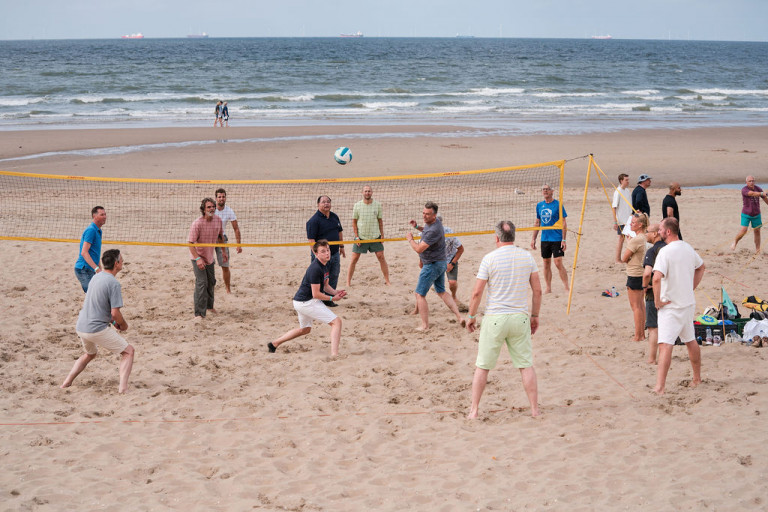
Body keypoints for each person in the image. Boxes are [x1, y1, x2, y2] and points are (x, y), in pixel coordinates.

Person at [466, 221, 542, 418]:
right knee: (525, 365)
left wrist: (471, 316)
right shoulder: (527, 257)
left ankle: (474, 410)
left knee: (483, 366)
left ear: (496, 237)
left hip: (495, 318)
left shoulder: (489, 258)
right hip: (519, 318)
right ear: (514, 236)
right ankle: (535, 410)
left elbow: (477, 293)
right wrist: (535, 316)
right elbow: (537, 291)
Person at [61, 249, 135, 394]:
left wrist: (114, 323)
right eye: (122, 259)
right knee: (129, 352)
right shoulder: (114, 284)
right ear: (116, 263)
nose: (123, 261)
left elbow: (101, 306)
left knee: (90, 354)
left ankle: (66, 382)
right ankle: (123, 389)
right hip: (95, 329)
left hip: (81, 326)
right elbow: (115, 312)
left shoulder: (96, 276)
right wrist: (123, 325)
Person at [652, 217, 706, 395]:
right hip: (687, 303)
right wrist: (690, 288)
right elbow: (701, 267)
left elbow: (656, 278)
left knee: (665, 345)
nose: (659, 231)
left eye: (660, 229)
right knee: (690, 340)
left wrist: (658, 301)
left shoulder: (665, 252)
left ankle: (660, 387)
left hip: (672, 307)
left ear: (668, 231)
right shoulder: (687, 247)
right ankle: (697, 378)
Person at [267, 240, 346, 356]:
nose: (327, 253)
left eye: (328, 250)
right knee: (336, 322)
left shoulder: (325, 264)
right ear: (316, 254)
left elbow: (325, 285)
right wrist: (332, 299)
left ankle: (274, 344)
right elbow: (316, 294)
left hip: (301, 301)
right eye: (323, 251)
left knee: (305, 330)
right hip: (306, 302)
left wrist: (335, 292)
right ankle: (335, 354)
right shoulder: (315, 269)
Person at [406, 202, 464, 331]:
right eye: (423, 213)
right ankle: (459, 317)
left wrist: (410, 239)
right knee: (441, 291)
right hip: (441, 263)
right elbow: (426, 230)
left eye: (428, 214)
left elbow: (419, 249)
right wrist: (417, 226)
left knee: (419, 294)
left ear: (435, 215)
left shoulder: (433, 230)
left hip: (432, 265)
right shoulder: (436, 223)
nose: (425, 216)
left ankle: (425, 326)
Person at [346, 185, 390, 287]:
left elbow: (380, 221)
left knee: (381, 257)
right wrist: (356, 236)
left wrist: (382, 235)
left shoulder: (377, 205)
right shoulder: (357, 205)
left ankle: (387, 281)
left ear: (372, 192)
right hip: (361, 236)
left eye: (369, 191)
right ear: (362, 193)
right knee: (354, 258)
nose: (367, 193)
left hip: (375, 236)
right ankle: (348, 282)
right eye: (365, 191)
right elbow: (354, 222)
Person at [188, 197, 225, 319]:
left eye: (213, 207)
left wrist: (223, 252)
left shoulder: (218, 220)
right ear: (203, 209)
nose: (212, 209)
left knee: (211, 282)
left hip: (210, 257)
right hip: (197, 256)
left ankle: (209, 307)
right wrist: (198, 259)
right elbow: (190, 243)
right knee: (202, 283)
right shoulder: (197, 223)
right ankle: (199, 313)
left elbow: (220, 237)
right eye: (209, 207)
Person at [306, 195, 345, 306]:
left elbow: (339, 232)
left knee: (334, 275)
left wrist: (341, 247)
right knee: (318, 278)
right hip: (321, 256)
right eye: (323, 202)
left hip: (334, 253)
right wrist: (316, 255)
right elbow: (311, 240)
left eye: (328, 202)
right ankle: (317, 299)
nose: (326, 204)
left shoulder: (334, 217)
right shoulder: (314, 221)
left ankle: (329, 300)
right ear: (318, 204)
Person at [530, 184, 569, 293]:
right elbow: (537, 222)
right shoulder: (539, 205)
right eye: (544, 189)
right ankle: (548, 288)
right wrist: (533, 239)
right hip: (545, 238)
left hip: (557, 238)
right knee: (546, 263)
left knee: (558, 262)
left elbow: (564, 222)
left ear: (552, 191)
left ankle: (566, 287)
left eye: (547, 189)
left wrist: (564, 239)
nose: (545, 191)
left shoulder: (558, 205)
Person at [621, 213, 648, 342]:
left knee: (636, 306)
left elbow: (624, 258)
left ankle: (638, 335)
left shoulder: (637, 239)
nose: (631, 224)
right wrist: (629, 242)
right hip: (641, 273)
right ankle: (641, 333)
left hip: (635, 274)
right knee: (640, 305)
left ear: (640, 224)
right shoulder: (643, 238)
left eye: (633, 222)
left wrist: (629, 243)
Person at [642, 224, 665, 364]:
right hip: (670, 292)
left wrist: (645, 285)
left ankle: (651, 359)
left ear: (656, 233)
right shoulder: (669, 248)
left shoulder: (652, 251)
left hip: (654, 292)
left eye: (648, 232)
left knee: (653, 328)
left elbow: (646, 273)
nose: (646, 234)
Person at [214, 188, 242, 294]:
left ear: (225, 198)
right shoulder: (212, 209)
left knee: (225, 266)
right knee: (206, 265)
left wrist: (238, 245)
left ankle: (228, 290)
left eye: (223, 196)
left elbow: (236, 228)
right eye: (219, 197)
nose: (221, 199)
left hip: (222, 239)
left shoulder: (229, 210)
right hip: (209, 239)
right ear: (216, 198)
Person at [731, 175, 768, 252]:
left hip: (757, 214)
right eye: (750, 181)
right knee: (744, 230)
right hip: (746, 214)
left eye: (753, 181)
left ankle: (757, 249)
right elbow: (752, 194)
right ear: (746, 182)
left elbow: (764, 198)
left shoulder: (758, 188)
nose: (751, 182)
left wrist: (763, 194)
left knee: (757, 231)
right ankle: (735, 242)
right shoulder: (744, 189)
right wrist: (762, 193)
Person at [74, 206, 107, 293]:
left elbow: (95, 253)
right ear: (94, 216)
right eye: (102, 215)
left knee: (95, 297)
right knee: (93, 296)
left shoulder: (98, 230)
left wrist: (100, 269)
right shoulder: (91, 230)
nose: (105, 217)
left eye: (105, 214)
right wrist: (97, 269)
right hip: (83, 269)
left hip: (90, 269)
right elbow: (84, 252)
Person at [612, 173, 633, 263]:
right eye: (626, 180)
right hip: (621, 220)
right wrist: (615, 221)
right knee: (621, 238)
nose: (628, 182)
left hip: (629, 219)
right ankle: (617, 259)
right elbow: (614, 207)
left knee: (630, 238)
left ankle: (627, 257)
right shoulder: (618, 192)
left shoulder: (627, 191)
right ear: (621, 181)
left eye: (628, 180)